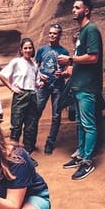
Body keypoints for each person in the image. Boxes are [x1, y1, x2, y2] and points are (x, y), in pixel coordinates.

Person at [58, 0, 104, 180]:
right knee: (80, 125)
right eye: (73, 7)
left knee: (88, 125)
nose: (73, 10)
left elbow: (93, 57)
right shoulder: (81, 33)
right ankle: (80, 155)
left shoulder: (91, 30)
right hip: (77, 86)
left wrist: (70, 59)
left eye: (77, 7)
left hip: (87, 87)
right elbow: (80, 62)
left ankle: (87, 162)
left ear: (86, 10)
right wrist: (67, 71)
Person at [33, 24, 70, 155]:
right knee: (36, 113)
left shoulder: (64, 52)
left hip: (58, 87)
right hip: (43, 86)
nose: (52, 35)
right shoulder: (42, 50)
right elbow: (35, 66)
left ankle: (50, 143)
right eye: (50, 33)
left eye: (55, 33)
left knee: (56, 116)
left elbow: (68, 70)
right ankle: (31, 142)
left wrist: (63, 74)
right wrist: (39, 75)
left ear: (60, 35)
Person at [0, 38, 38, 152]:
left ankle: (27, 152)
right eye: (25, 48)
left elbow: (33, 81)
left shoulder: (34, 65)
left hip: (32, 95)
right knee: (16, 124)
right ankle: (14, 151)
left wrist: (39, 83)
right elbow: (1, 75)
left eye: (30, 47)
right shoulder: (16, 62)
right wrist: (11, 87)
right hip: (21, 95)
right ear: (21, 50)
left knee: (30, 125)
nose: (28, 50)